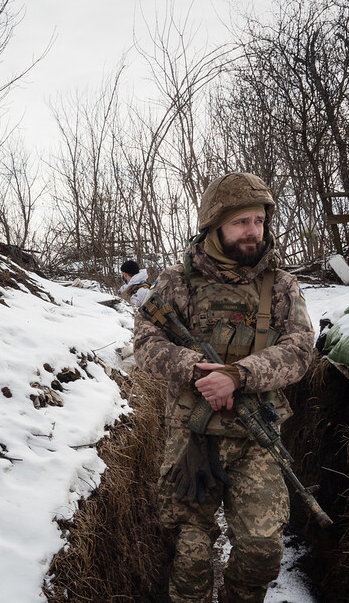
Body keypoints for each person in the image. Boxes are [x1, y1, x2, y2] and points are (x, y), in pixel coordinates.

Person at [133, 172, 314, 603]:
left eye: (258, 220)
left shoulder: (282, 285)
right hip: (193, 435)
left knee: (261, 550)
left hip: (256, 436)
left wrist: (239, 375)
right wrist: (198, 372)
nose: (253, 231)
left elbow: (301, 348)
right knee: (191, 552)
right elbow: (146, 344)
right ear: (214, 225)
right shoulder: (177, 282)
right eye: (241, 222)